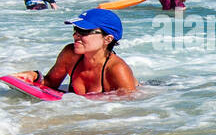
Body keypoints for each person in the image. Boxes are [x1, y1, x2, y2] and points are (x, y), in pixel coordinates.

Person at [10, 9, 138, 96]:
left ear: (107, 39)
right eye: (76, 29)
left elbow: (128, 109)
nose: (75, 35)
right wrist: (35, 76)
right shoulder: (70, 54)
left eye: (84, 32)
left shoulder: (117, 69)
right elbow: (51, 83)